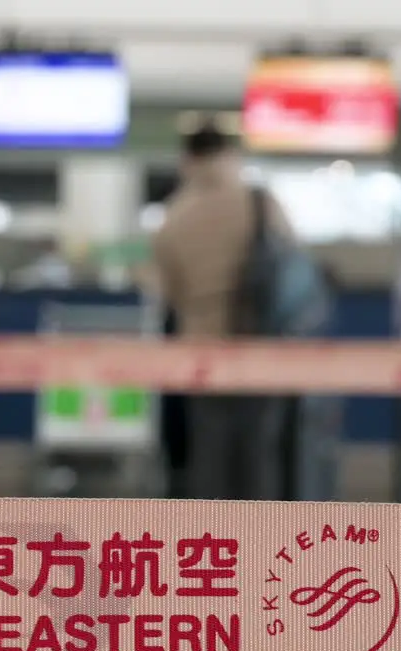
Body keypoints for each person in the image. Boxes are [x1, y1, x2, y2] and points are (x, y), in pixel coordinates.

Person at [151, 119, 299, 501]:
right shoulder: (261, 205)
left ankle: (211, 548)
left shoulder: (174, 217)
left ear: (188, 160)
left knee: (210, 461)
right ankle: (264, 549)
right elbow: (293, 269)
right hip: (262, 348)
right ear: (231, 155)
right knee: (260, 459)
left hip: (203, 355)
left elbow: (171, 294)